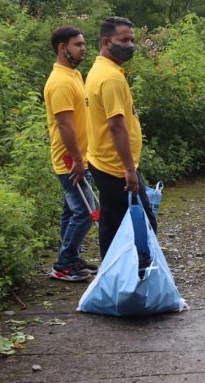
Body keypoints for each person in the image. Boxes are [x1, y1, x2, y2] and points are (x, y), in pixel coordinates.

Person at [86, 16, 157, 259]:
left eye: (131, 40)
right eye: (123, 40)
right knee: (142, 225)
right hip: (116, 166)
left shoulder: (100, 70)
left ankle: (111, 274)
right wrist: (129, 169)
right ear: (106, 42)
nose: (130, 45)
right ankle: (133, 276)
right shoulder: (111, 78)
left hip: (103, 160)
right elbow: (116, 126)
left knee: (112, 222)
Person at [44, 26, 98, 282]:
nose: (83, 48)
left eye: (83, 43)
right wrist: (77, 159)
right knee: (87, 211)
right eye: (78, 44)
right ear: (61, 48)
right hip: (70, 160)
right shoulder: (60, 82)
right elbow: (64, 124)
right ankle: (63, 264)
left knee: (71, 211)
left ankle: (71, 258)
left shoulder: (73, 75)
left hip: (79, 158)